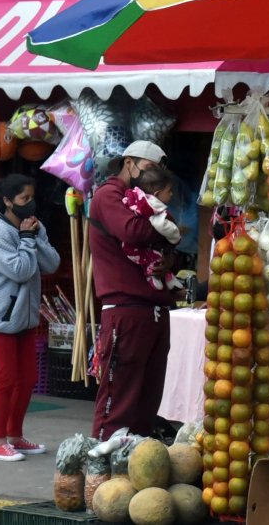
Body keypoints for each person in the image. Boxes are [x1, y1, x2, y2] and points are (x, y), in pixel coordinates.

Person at [89, 140, 176, 440]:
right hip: (125, 308)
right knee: (119, 399)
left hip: (154, 309)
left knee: (147, 398)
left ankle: (135, 458)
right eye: (148, 168)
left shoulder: (144, 200)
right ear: (129, 163)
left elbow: (162, 242)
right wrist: (170, 231)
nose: (152, 177)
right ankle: (104, 460)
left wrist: (169, 252)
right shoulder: (108, 194)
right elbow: (131, 231)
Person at [0, 173, 61, 461]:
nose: (30, 203)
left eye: (32, 197)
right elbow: (21, 271)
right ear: (8, 201)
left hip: (24, 318)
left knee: (27, 379)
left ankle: (15, 436)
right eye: (24, 198)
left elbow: (51, 264)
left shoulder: (34, 226)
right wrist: (26, 238)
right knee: (6, 379)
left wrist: (34, 236)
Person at [121, 167, 183, 291]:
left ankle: (168, 277)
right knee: (154, 259)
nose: (172, 194)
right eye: (169, 191)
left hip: (140, 246)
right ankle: (152, 277)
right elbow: (161, 225)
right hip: (138, 249)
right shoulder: (152, 208)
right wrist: (176, 236)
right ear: (156, 194)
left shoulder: (139, 198)